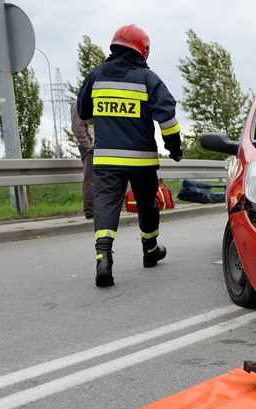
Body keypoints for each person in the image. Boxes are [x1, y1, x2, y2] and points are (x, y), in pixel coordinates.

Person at [76, 24, 183, 287]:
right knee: (147, 204)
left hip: (107, 160)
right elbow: (167, 118)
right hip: (141, 159)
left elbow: (85, 113)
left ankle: (103, 259)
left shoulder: (96, 75)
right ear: (143, 50)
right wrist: (175, 148)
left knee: (105, 208)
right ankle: (150, 251)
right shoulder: (148, 79)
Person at [70, 100, 95, 219]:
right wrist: (89, 147)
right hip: (89, 148)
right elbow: (77, 128)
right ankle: (90, 211)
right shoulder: (79, 103)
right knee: (90, 180)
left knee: (99, 181)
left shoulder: (94, 101)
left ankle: (99, 209)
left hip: (97, 146)